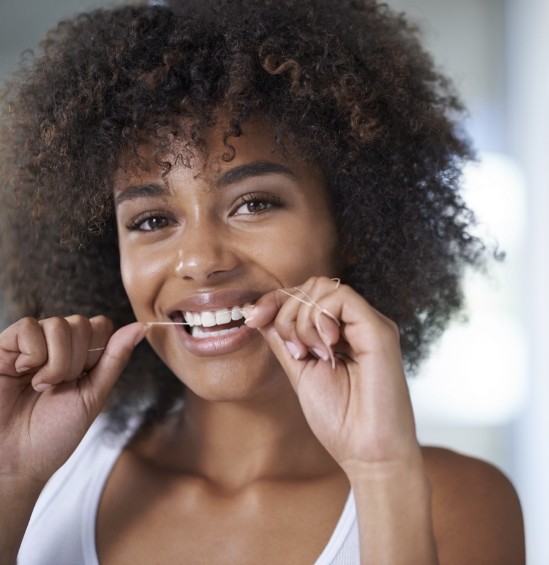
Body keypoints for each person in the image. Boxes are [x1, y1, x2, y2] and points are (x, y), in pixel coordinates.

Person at [0, 0, 525, 563]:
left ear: (352, 227)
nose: (199, 260)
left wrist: (381, 472)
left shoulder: (455, 501)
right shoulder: (45, 470)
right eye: (152, 220)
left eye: (254, 203)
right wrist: (11, 474)